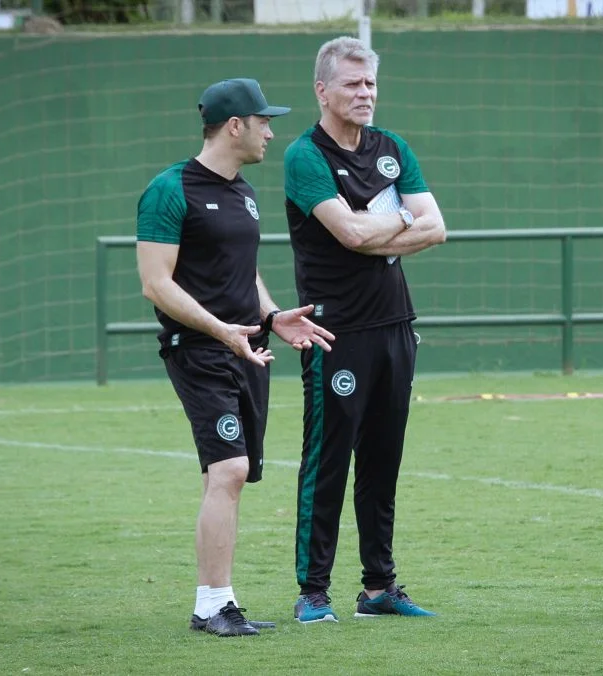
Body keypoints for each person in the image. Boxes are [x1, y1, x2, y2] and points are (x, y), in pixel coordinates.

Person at [136, 78, 336, 637]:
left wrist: (272, 317)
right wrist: (221, 330)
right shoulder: (169, 188)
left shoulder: (244, 192)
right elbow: (156, 283)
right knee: (230, 468)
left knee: (227, 476)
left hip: (246, 348)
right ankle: (211, 605)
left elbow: (243, 272)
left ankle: (217, 601)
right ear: (234, 125)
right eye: (264, 121)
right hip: (200, 349)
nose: (271, 131)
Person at [282, 36, 447, 624]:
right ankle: (313, 591)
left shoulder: (392, 148)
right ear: (322, 91)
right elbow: (348, 237)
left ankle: (379, 587)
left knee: (383, 461)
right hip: (336, 333)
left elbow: (438, 227)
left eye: (371, 83)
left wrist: (384, 222)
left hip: (395, 328)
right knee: (327, 462)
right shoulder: (305, 156)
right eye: (353, 84)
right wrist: (401, 220)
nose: (365, 94)